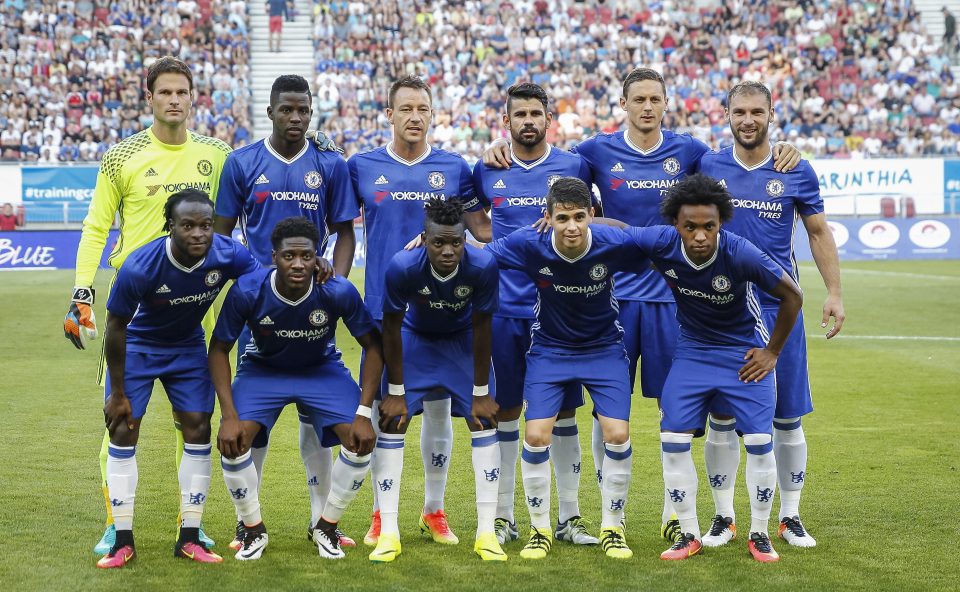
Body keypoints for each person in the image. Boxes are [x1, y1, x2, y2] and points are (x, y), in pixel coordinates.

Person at [483, 67, 800, 542]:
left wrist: (780, 150)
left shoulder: (691, 151)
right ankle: (609, 513)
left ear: (666, 103)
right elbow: (561, 184)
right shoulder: (592, 151)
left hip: (671, 299)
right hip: (608, 297)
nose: (647, 107)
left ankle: (678, 516)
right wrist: (496, 149)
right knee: (607, 411)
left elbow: (734, 158)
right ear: (625, 104)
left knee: (676, 412)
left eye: (655, 99)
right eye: (639, 100)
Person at [65, 56, 232, 556]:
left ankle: (192, 522)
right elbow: (97, 225)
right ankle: (115, 523)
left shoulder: (218, 154)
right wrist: (81, 290)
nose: (175, 100)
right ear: (150, 98)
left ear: (194, 97)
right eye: (165, 93)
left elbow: (242, 209)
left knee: (196, 418)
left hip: (198, 304)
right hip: (133, 304)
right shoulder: (123, 155)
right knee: (119, 416)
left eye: (183, 92)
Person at [604, 173, 803, 563]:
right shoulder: (661, 242)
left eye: (708, 227)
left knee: (760, 443)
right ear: (675, 226)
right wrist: (578, 219)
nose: (699, 236)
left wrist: (772, 352)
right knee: (673, 441)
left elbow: (792, 295)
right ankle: (689, 534)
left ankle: (759, 533)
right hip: (693, 352)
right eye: (689, 227)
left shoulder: (741, 252)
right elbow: (622, 230)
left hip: (743, 354)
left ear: (720, 224)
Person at [213, 74, 359, 550]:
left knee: (316, 420)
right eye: (286, 110)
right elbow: (221, 234)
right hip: (262, 308)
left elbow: (343, 232)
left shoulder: (329, 164)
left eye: (303, 111)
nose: (295, 119)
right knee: (253, 427)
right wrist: (246, 284)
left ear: (311, 112)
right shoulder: (243, 162)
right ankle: (247, 522)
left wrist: (332, 281)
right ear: (271, 111)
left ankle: (322, 518)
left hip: (311, 301)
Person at [697, 81, 844, 549]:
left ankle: (790, 515)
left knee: (787, 416)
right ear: (727, 114)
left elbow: (818, 233)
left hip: (782, 307)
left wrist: (834, 292)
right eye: (739, 111)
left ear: (771, 114)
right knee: (722, 416)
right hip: (725, 310)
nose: (747, 120)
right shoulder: (709, 165)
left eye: (756, 111)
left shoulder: (795, 168)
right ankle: (723, 518)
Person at [347, 76, 491, 547]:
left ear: (433, 115)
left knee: (438, 411)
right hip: (382, 312)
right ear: (388, 115)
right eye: (405, 108)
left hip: (446, 312)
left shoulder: (454, 167)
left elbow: (481, 230)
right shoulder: (362, 166)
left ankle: (434, 510)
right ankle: (378, 514)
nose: (415, 117)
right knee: (388, 412)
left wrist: (496, 155)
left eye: (423, 109)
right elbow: (340, 225)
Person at [485, 177, 647, 561]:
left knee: (618, 433)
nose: (571, 226)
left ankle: (612, 527)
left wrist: (615, 225)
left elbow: (656, 243)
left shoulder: (612, 244)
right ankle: (540, 530)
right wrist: (431, 245)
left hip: (604, 349)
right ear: (548, 218)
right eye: (562, 218)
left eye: (579, 217)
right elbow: (480, 253)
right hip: (550, 350)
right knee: (537, 435)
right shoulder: (529, 244)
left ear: (592, 215)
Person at [96, 190, 260, 568]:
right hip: (139, 345)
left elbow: (258, 281)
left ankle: (189, 537)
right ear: (170, 226)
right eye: (188, 225)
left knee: (198, 429)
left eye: (205, 225)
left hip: (187, 347)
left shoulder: (227, 253)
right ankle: (122, 540)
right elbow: (116, 326)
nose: (199, 234)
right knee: (123, 428)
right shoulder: (140, 265)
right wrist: (118, 392)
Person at [209, 217, 382, 561]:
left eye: (306, 256)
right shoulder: (247, 290)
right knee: (233, 439)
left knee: (362, 440)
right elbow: (218, 350)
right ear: (274, 257)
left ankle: (326, 526)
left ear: (318, 256)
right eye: (289, 256)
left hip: (320, 368)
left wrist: (364, 412)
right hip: (263, 370)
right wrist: (228, 414)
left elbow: (374, 347)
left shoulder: (337, 290)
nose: (298, 264)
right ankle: (252, 528)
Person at [472, 82, 598, 547]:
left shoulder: (574, 167)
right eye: (519, 114)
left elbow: (594, 221)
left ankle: (569, 518)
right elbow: (477, 224)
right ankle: (504, 517)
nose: (528, 121)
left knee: (563, 412)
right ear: (506, 122)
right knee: (505, 412)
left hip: (560, 311)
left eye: (535, 113)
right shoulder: (486, 170)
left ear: (550, 119)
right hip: (504, 311)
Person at [372, 198, 502, 562]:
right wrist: (395, 391)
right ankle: (389, 531)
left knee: (483, 420)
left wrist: (481, 392)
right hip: (416, 342)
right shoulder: (402, 266)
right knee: (393, 421)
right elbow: (392, 329)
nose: (448, 251)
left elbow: (483, 326)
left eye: (456, 243)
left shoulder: (483, 265)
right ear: (424, 239)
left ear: (465, 239)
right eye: (439, 243)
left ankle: (486, 533)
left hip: (462, 343)